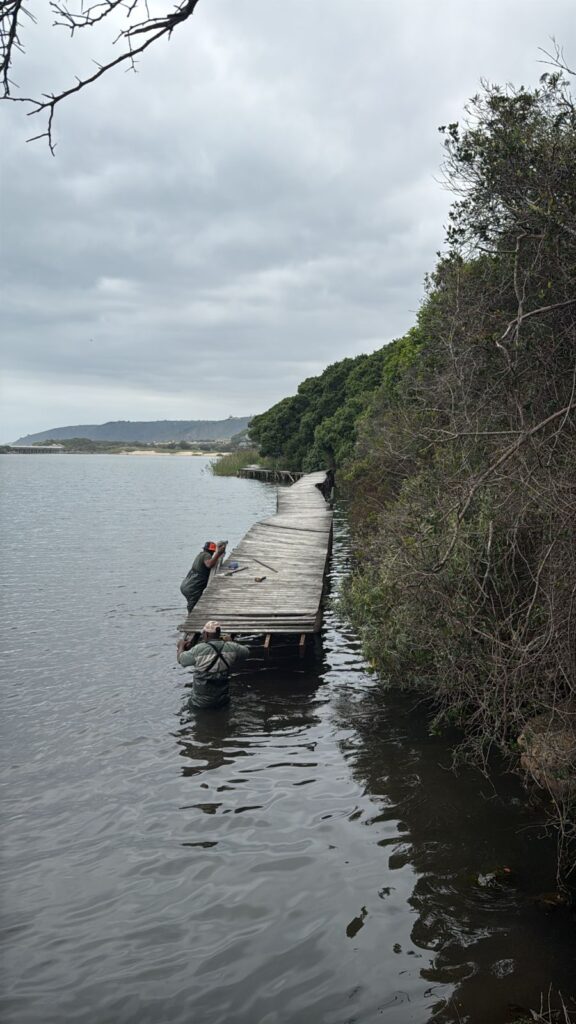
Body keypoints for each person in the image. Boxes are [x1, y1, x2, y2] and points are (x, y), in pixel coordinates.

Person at [177, 621, 250, 708]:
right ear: (219, 634)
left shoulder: (198, 649)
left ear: (206, 634)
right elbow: (246, 652)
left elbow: (181, 660)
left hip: (200, 703)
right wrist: (230, 642)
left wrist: (181, 646)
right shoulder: (231, 647)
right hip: (223, 701)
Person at [180, 540, 227, 613]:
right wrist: (218, 553)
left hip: (186, 585)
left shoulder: (200, 555)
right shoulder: (206, 555)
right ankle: (191, 620)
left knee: (193, 604)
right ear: (212, 551)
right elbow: (209, 564)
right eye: (213, 552)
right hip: (192, 587)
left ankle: (190, 617)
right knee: (193, 607)